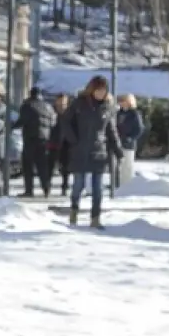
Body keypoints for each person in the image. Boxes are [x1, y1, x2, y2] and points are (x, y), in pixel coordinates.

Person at [58, 75, 122, 229]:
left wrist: (118, 150)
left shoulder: (107, 107)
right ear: (92, 89)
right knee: (78, 184)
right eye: (98, 90)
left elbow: (111, 130)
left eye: (104, 90)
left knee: (97, 187)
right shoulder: (79, 104)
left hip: (98, 151)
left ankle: (95, 218)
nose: (101, 93)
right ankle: (74, 211)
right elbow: (65, 121)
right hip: (80, 150)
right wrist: (73, 139)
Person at [15, 86, 57, 197]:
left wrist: (12, 126)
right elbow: (53, 122)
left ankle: (29, 190)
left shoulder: (27, 106)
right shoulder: (48, 107)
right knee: (42, 165)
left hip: (30, 138)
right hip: (44, 140)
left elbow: (22, 120)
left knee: (27, 165)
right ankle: (46, 188)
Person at [114, 94, 144, 190]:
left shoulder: (134, 113)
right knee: (117, 166)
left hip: (128, 144)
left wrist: (130, 138)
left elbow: (139, 128)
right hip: (118, 143)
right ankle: (117, 185)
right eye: (120, 101)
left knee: (127, 166)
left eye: (123, 101)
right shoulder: (118, 113)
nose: (121, 103)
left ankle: (127, 186)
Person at [49, 92, 72, 197]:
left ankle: (65, 186)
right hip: (53, 142)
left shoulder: (70, 112)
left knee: (65, 167)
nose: (62, 104)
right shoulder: (52, 111)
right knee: (50, 166)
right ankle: (47, 186)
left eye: (64, 102)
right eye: (60, 101)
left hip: (66, 143)